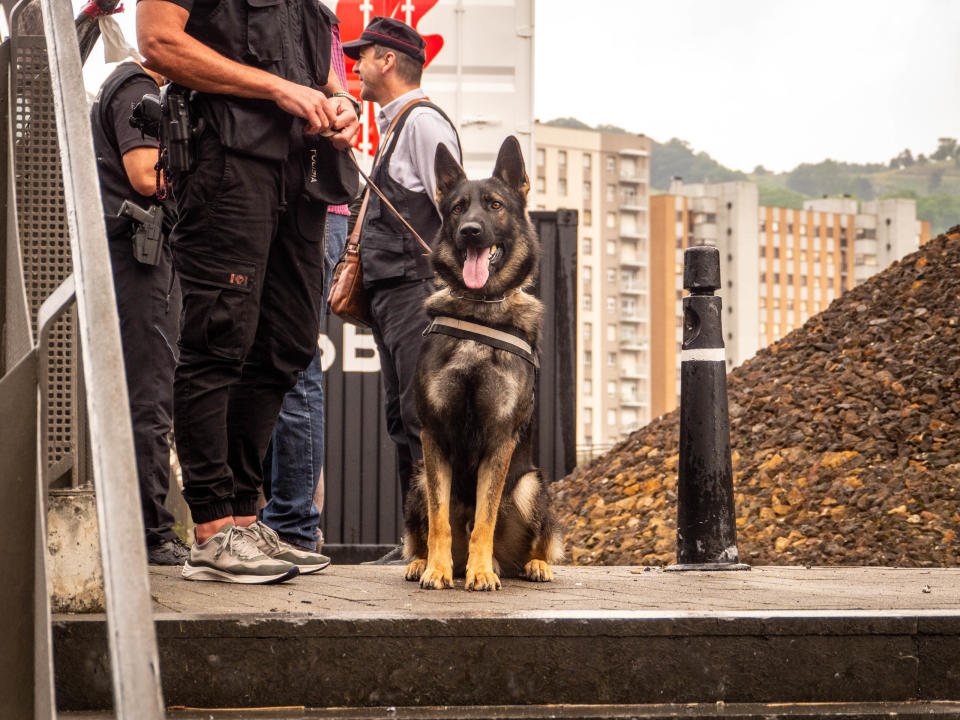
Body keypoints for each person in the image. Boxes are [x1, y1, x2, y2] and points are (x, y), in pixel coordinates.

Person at [137, 0, 361, 583]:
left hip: (300, 173)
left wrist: (343, 106)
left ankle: (242, 515)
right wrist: (276, 89)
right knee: (219, 337)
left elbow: (326, 78)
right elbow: (159, 43)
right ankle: (211, 530)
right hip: (226, 163)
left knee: (286, 342)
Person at [341, 17, 461, 564]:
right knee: (401, 419)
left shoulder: (421, 124)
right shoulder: (398, 125)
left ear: (387, 60)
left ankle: (440, 544)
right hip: (398, 295)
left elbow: (459, 215)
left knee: (423, 421)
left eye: (361, 55)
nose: (355, 65)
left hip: (418, 293)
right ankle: (416, 542)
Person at [261, 8, 352, 555]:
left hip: (316, 211)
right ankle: (286, 516)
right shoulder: (313, 24)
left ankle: (295, 522)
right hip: (308, 209)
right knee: (279, 362)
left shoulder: (315, 24)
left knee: (297, 365)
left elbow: (337, 100)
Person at [90, 58, 188, 566]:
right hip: (139, 258)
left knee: (145, 396)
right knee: (149, 397)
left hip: (135, 256)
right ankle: (152, 533)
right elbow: (146, 176)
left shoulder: (132, 86)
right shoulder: (135, 88)